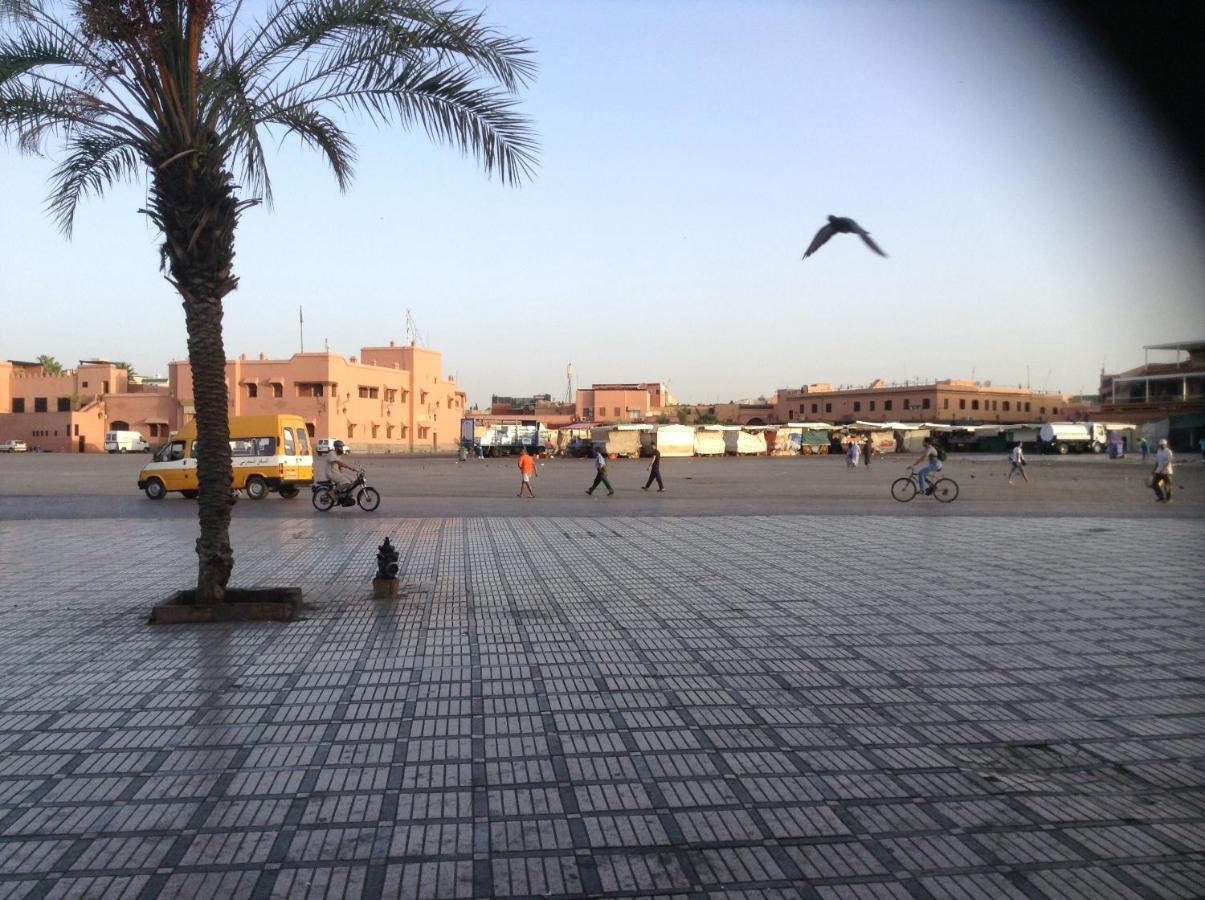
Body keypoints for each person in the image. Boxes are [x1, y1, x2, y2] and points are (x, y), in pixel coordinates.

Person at [1152, 438, 1174, 503]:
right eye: (1161, 445)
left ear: (1166, 445)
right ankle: (1160, 497)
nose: (1162, 446)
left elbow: (1168, 462)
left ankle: (1168, 499)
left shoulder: (1168, 452)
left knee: (1167, 486)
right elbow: (1157, 462)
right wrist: (1154, 470)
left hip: (1167, 472)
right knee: (1154, 484)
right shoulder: (1158, 451)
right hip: (1158, 471)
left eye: (1163, 445)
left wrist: (1163, 470)